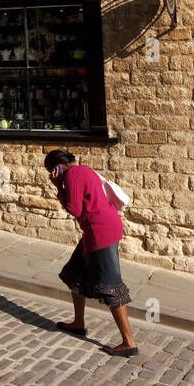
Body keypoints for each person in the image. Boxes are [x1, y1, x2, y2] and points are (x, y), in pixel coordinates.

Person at [45, 149, 138, 357]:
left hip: (100, 231)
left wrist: (58, 187)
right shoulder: (84, 169)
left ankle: (129, 342)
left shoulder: (71, 176)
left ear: (56, 168)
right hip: (99, 228)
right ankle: (79, 322)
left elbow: (74, 208)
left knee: (111, 286)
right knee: (74, 273)